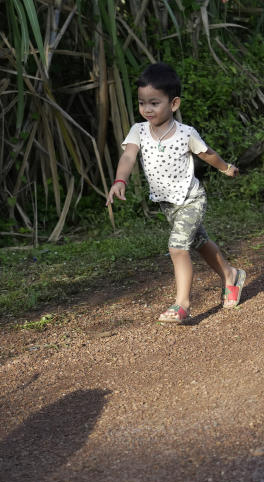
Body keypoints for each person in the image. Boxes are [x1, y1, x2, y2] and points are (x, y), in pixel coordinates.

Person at [106, 62, 245, 324]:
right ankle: (231, 275)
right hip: (168, 205)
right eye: (142, 102)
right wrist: (119, 180)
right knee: (200, 243)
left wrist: (226, 169)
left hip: (191, 200)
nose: (147, 109)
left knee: (177, 247)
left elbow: (208, 154)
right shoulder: (138, 131)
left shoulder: (185, 134)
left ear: (174, 103)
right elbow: (128, 155)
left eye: (154, 103)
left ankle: (182, 305)